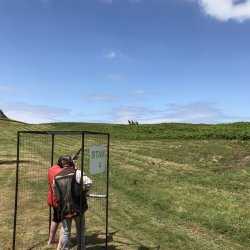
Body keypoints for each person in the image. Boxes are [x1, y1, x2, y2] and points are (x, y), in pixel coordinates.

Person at [53, 155, 92, 250]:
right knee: (80, 229)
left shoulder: (56, 177)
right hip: (78, 205)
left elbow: (55, 192)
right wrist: (85, 191)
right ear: (71, 163)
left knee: (66, 230)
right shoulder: (77, 172)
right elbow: (89, 183)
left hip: (64, 208)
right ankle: (81, 248)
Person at [47, 159, 65, 249]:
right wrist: (73, 164)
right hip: (61, 200)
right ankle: (60, 245)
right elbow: (75, 173)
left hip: (53, 199)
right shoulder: (62, 172)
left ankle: (51, 240)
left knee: (56, 219)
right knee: (64, 221)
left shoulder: (53, 168)